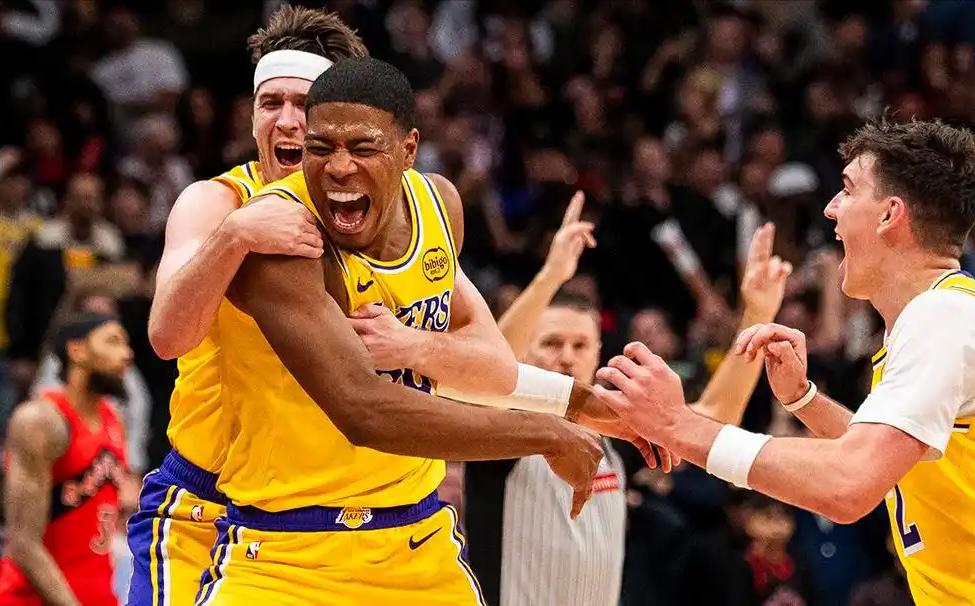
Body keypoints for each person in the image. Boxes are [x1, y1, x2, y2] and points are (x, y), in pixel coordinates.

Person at [193, 57, 642, 605]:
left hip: (416, 542)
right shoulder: (281, 234)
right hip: (288, 553)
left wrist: (579, 402)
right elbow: (363, 409)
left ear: (408, 150)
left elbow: (485, 365)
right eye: (320, 148)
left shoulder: (439, 205)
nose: (338, 168)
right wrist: (546, 432)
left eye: (362, 148)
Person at [599, 118, 975, 606]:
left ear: (889, 215)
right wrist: (803, 399)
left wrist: (679, 425)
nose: (830, 207)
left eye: (847, 189)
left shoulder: (941, 316)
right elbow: (893, 460)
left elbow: (849, 484)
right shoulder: (941, 317)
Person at [127, 7, 367, 606]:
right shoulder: (214, 203)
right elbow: (167, 337)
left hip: (322, 512)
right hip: (205, 508)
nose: (286, 120)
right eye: (270, 103)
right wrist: (235, 238)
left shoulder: (375, 213)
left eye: (303, 104)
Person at [463, 196, 791, 606]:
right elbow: (488, 372)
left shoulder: (616, 429)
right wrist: (551, 275)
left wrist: (757, 316)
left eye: (580, 345)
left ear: (598, 353)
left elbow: (715, 416)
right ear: (524, 350)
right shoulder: (500, 429)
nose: (567, 356)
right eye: (551, 343)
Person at [0, 313, 131, 606]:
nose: (126, 353)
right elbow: (22, 543)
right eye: (113, 342)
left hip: (98, 595)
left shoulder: (114, 421)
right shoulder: (40, 421)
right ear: (77, 350)